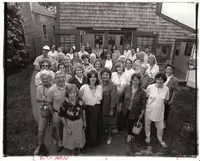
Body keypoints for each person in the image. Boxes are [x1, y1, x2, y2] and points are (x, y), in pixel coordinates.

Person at [118, 73, 146, 142]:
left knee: (130, 122)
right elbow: (121, 96)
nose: (135, 82)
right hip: (125, 108)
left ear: (140, 81)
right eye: (134, 80)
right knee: (122, 119)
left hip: (135, 111)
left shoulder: (142, 92)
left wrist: (142, 113)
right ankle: (120, 129)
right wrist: (120, 105)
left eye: (137, 80)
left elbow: (143, 104)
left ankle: (129, 134)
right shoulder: (126, 87)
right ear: (131, 80)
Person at [58, 84, 86, 155]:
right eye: (71, 93)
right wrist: (67, 128)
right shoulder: (64, 104)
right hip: (70, 123)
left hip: (79, 122)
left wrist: (84, 121)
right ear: (67, 93)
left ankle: (79, 148)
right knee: (71, 137)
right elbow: (62, 117)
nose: (73, 95)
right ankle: (73, 150)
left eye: (74, 93)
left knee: (79, 136)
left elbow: (83, 111)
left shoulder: (79, 101)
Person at [145, 72, 169, 148]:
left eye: (161, 79)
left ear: (164, 80)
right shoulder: (150, 87)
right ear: (155, 79)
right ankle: (148, 136)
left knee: (160, 127)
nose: (159, 81)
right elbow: (146, 97)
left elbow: (166, 100)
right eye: (158, 79)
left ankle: (160, 138)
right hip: (149, 109)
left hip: (160, 110)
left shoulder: (166, 89)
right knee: (147, 124)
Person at [79, 70, 103, 146]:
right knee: (88, 126)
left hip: (97, 109)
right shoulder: (83, 87)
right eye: (91, 77)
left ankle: (96, 141)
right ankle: (88, 142)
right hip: (87, 109)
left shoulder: (99, 87)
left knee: (96, 125)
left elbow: (100, 99)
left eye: (94, 77)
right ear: (88, 78)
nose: (93, 79)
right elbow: (79, 98)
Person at [47, 71, 68, 152]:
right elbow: (49, 103)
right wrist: (53, 114)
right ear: (55, 79)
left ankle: (69, 142)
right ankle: (60, 142)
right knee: (59, 129)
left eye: (62, 77)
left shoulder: (68, 86)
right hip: (57, 113)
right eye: (58, 78)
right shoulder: (51, 90)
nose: (61, 79)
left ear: (65, 78)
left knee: (68, 127)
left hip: (68, 112)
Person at [34, 70, 53, 155]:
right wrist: (43, 99)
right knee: (41, 129)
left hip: (53, 109)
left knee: (54, 126)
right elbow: (37, 99)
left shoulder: (54, 87)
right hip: (44, 109)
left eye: (47, 79)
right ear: (41, 80)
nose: (45, 80)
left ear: (50, 79)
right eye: (43, 79)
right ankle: (39, 145)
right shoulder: (39, 88)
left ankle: (55, 139)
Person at [100, 68, 117, 144]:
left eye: (107, 74)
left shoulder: (113, 85)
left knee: (110, 121)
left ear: (109, 75)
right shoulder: (100, 82)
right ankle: (104, 132)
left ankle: (109, 135)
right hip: (101, 105)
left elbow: (114, 98)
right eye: (103, 74)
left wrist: (112, 109)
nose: (105, 76)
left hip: (108, 106)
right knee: (103, 120)